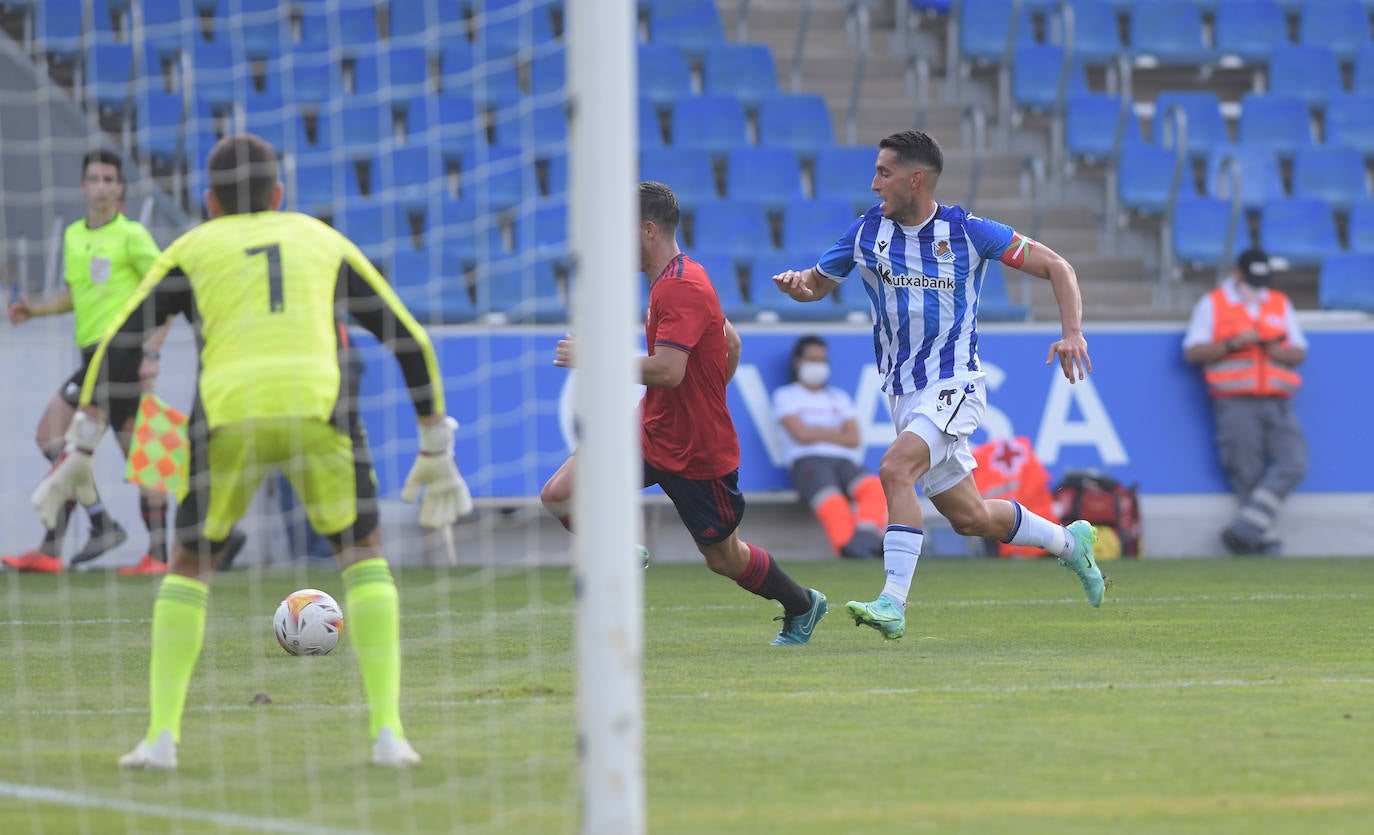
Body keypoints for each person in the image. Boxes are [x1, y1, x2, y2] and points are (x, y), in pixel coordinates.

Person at [31, 134, 473, 769]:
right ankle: (388, 735)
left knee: (187, 565)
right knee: (363, 556)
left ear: (209, 202)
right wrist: (434, 437)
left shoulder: (194, 246)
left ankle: (160, 740)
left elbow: (122, 344)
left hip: (229, 415)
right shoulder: (320, 239)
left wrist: (81, 441)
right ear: (281, 194)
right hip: (319, 411)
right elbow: (405, 336)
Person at [771, 129, 1105, 641]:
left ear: (915, 179)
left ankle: (892, 602)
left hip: (956, 384)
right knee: (970, 517)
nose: (875, 182)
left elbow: (1058, 266)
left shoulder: (969, 231)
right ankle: (1069, 543)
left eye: (884, 172)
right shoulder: (866, 233)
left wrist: (1072, 332)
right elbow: (817, 285)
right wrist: (799, 286)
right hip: (903, 393)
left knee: (894, 467)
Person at [540, 180, 828, 646]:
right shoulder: (675, 279)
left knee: (724, 558)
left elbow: (669, 372)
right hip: (649, 426)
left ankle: (802, 604)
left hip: (697, 449)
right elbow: (730, 342)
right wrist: (708, 391)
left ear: (647, 230)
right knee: (559, 494)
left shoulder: (681, 288)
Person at [2, 149, 230, 575]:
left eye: (110, 179)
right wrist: (34, 310)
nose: (102, 186)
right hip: (93, 355)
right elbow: (74, 296)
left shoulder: (132, 236)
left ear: (120, 187)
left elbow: (168, 295)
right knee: (142, 453)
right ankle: (155, 552)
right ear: (83, 186)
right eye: (95, 178)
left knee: (52, 437)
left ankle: (79, 536)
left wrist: (150, 350)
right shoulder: (73, 236)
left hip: (121, 355)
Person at [1182, 248, 1307, 555]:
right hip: (1235, 400)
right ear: (1237, 273)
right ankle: (1264, 542)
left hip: (1277, 399)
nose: (1258, 285)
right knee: (1244, 469)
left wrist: (1278, 352)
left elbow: (1299, 350)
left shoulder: (1278, 302)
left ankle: (1246, 530)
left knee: (1294, 461)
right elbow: (1193, 352)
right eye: (1253, 278)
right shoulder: (1214, 303)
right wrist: (1234, 343)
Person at [771, 334, 886, 560]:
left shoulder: (838, 397)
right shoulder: (786, 395)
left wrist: (816, 432)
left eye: (822, 361)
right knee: (834, 503)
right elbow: (801, 435)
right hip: (808, 461)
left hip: (845, 462)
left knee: (875, 488)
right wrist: (836, 434)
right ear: (798, 362)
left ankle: (864, 539)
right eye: (812, 360)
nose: (818, 366)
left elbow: (853, 437)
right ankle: (850, 553)